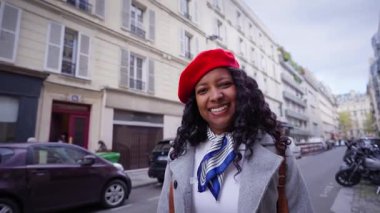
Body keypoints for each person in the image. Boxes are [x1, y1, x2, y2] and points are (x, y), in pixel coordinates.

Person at [157, 48, 313, 213]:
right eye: (203, 90)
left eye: (224, 84)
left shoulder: (278, 150)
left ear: (241, 90)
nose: (216, 96)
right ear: (195, 103)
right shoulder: (178, 152)